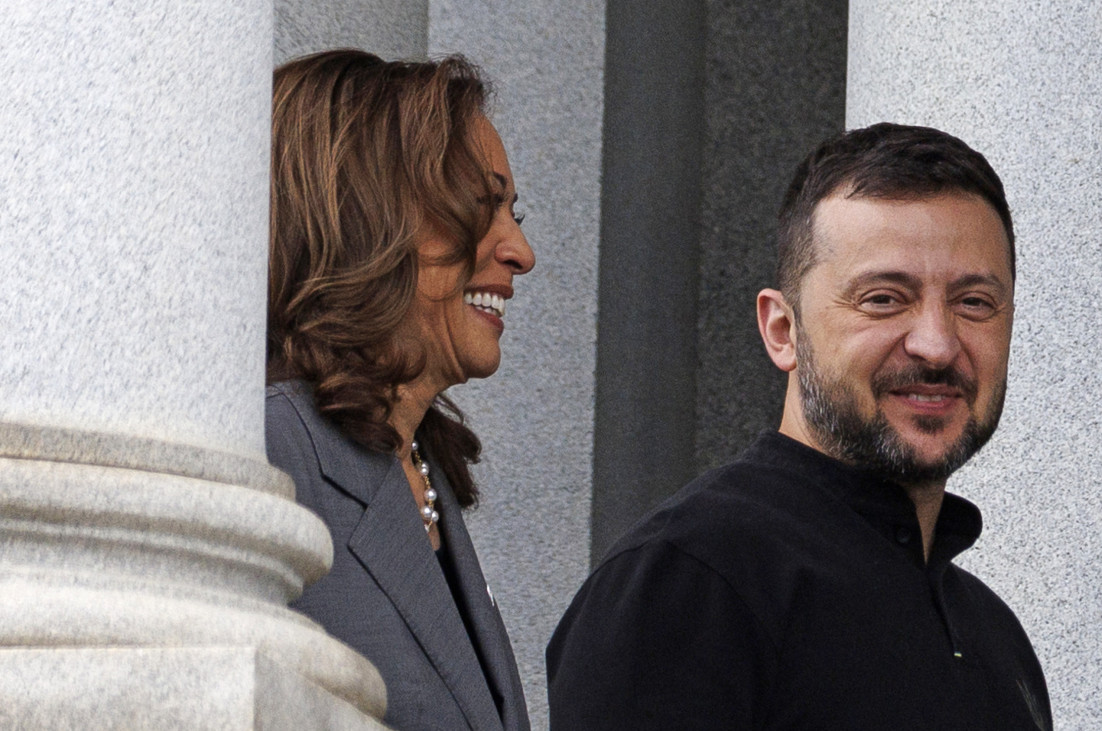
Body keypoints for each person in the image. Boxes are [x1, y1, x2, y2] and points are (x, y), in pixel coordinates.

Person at [547, 123, 1052, 729]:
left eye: (974, 302)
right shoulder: (688, 584)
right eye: (883, 298)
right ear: (782, 331)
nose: (936, 346)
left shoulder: (994, 636)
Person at [265, 49, 535, 730]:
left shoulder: (421, 469)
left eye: (513, 212)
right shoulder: (268, 455)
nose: (519, 251)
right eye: (482, 205)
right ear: (366, 215)